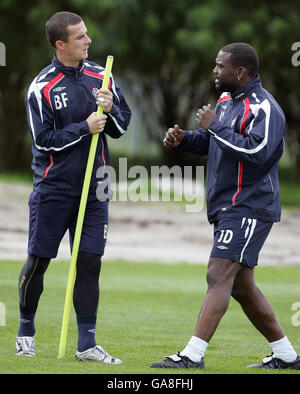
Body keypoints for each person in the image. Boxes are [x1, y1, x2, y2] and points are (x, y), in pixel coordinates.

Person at [151, 42, 300, 370]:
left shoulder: (264, 108)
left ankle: (192, 355)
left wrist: (214, 125)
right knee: (241, 287)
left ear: (240, 71)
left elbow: (256, 152)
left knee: (218, 274)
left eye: (220, 66)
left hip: (250, 205)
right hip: (226, 204)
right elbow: (214, 141)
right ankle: (288, 356)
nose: (215, 71)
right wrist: (186, 138)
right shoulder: (226, 101)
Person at [16, 11, 131, 364]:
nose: (89, 41)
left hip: (95, 188)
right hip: (53, 189)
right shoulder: (42, 87)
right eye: (80, 37)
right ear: (60, 44)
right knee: (39, 261)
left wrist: (110, 112)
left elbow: (122, 126)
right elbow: (43, 140)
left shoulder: (102, 76)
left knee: (90, 260)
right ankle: (25, 332)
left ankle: (87, 344)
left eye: (87, 35)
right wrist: (85, 127)